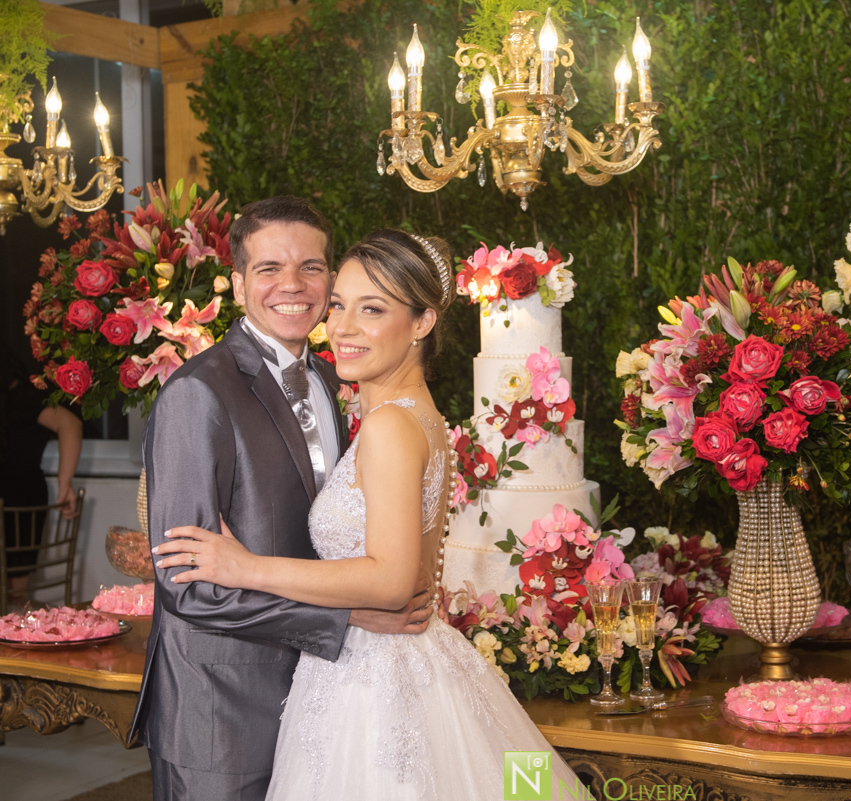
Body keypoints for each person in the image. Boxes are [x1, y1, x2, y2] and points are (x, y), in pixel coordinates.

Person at [155, 230, 577, 799]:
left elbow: (392, 579)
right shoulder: (415, 415)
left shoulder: (389, 426)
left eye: (372, 309)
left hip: (371, 683)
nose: (344, 327)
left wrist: (244, 566)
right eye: (339, 306)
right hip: (388, 664)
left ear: (423, 322)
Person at [131, 198, 434, 801]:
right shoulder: (197, 394)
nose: (292, 286)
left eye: (312, 268)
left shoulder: (332, 378)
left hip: (324, 705)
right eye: (269, 269)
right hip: (221, 714)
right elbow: (189, 586)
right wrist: (344, 619)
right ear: (239, 283)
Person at [0, 345, 82, 610]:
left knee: (14, 591)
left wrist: (65, 483)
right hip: (23, 499)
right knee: (15, 591)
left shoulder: (21, 397)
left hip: (19, 504)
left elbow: (70, 424)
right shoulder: (21, 396)